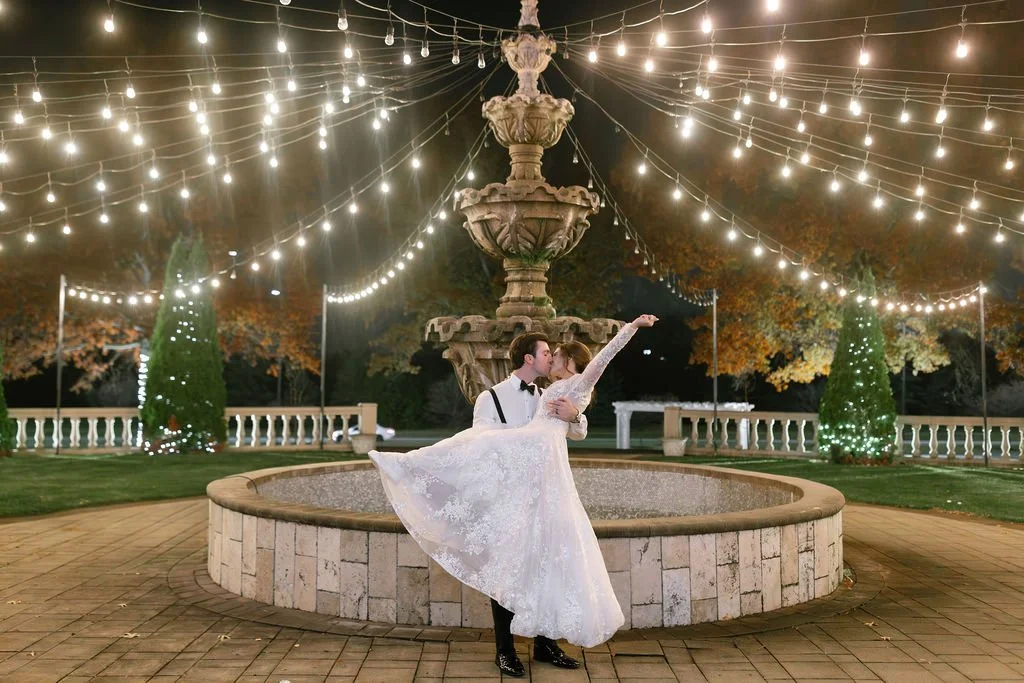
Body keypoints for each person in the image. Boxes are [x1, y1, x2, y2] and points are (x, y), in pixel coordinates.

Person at [369, 315, 658, 677]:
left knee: (545, 563)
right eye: (546, 352)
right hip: (505, 497)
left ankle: (544, 643)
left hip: (545, 491)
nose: (551, 357)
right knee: (507, 569)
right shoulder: (490, 397)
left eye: (554, 354)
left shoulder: (549, 392)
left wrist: (574, 417)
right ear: (528, 359)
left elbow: (576, 425)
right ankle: (505, 650)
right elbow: (480, 446)